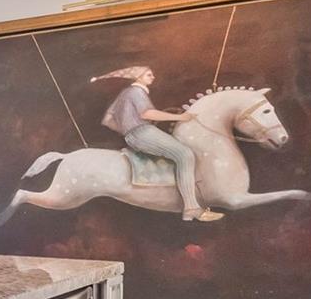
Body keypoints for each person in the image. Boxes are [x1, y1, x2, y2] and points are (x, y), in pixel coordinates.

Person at [90, 66, 223, 222]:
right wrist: (181, 118)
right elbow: (147, 113)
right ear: (138, 77)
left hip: (132, 135)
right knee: (185, 154)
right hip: (144, 132)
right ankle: (191, 208)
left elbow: (107, 120)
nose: (153, 76)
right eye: (148, 74)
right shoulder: (136, 92)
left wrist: (127, 129)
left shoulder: (124, 94)